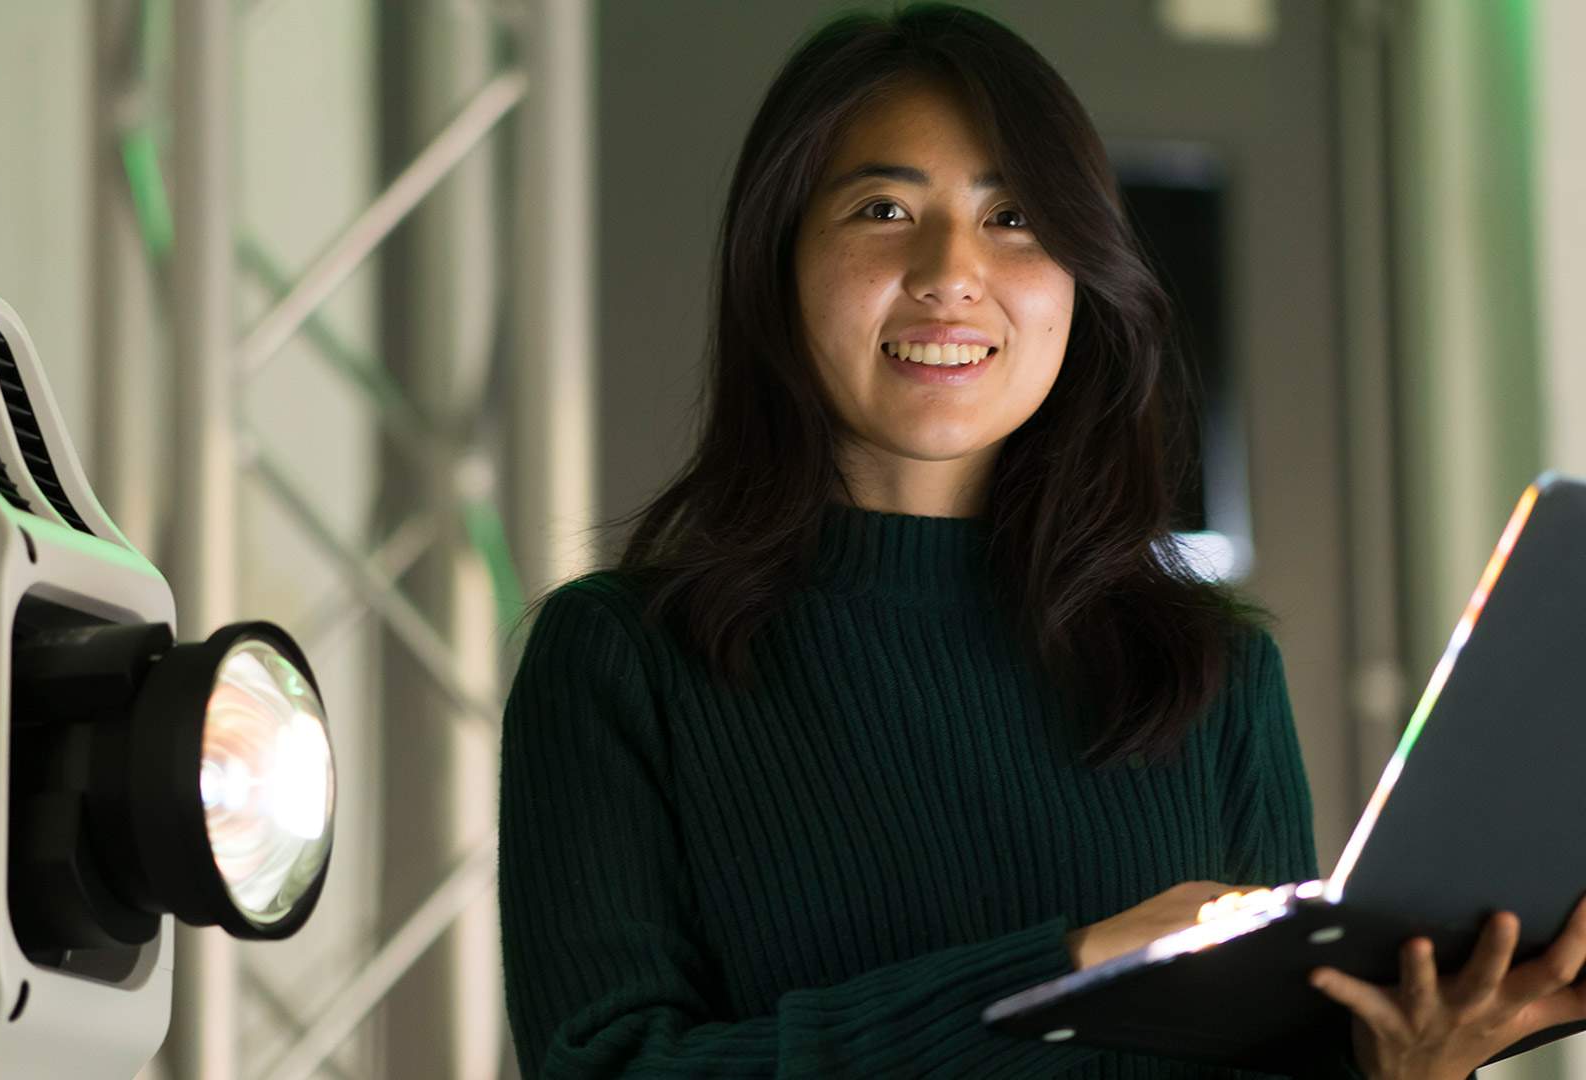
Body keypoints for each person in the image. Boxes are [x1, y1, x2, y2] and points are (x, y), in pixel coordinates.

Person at [496, 5, 1586, 1077]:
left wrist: (1411, 1068)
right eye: (882, 208)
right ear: (775, 262)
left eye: (1015, 217)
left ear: (1080, 277)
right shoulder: (619, 660)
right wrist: (1068, 968)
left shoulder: (1211, 673)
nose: (950, 272)